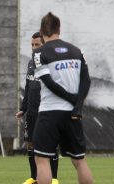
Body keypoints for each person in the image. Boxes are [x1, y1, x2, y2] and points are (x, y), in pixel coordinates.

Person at [32, 12, 93, 184]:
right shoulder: (76, 50)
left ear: (42, 30)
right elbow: (86, 80)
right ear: (59, 28)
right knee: (79, 161)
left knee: (42, 160)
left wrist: (72, 99)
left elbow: (48, 82)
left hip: (50, 112)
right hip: (72, 113)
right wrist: (78, 104)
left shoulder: (39, 53)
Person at [15, 32, 59, 184]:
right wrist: (23, 108)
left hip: (48, 112)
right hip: (32, 112)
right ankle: (34, 178)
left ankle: (53, 178)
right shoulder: (31, 62)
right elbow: (28, 86)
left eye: (37, 45)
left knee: (50, 144)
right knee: (30, 143)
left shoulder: (53, 63)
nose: (33, 48)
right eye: (32, 45)